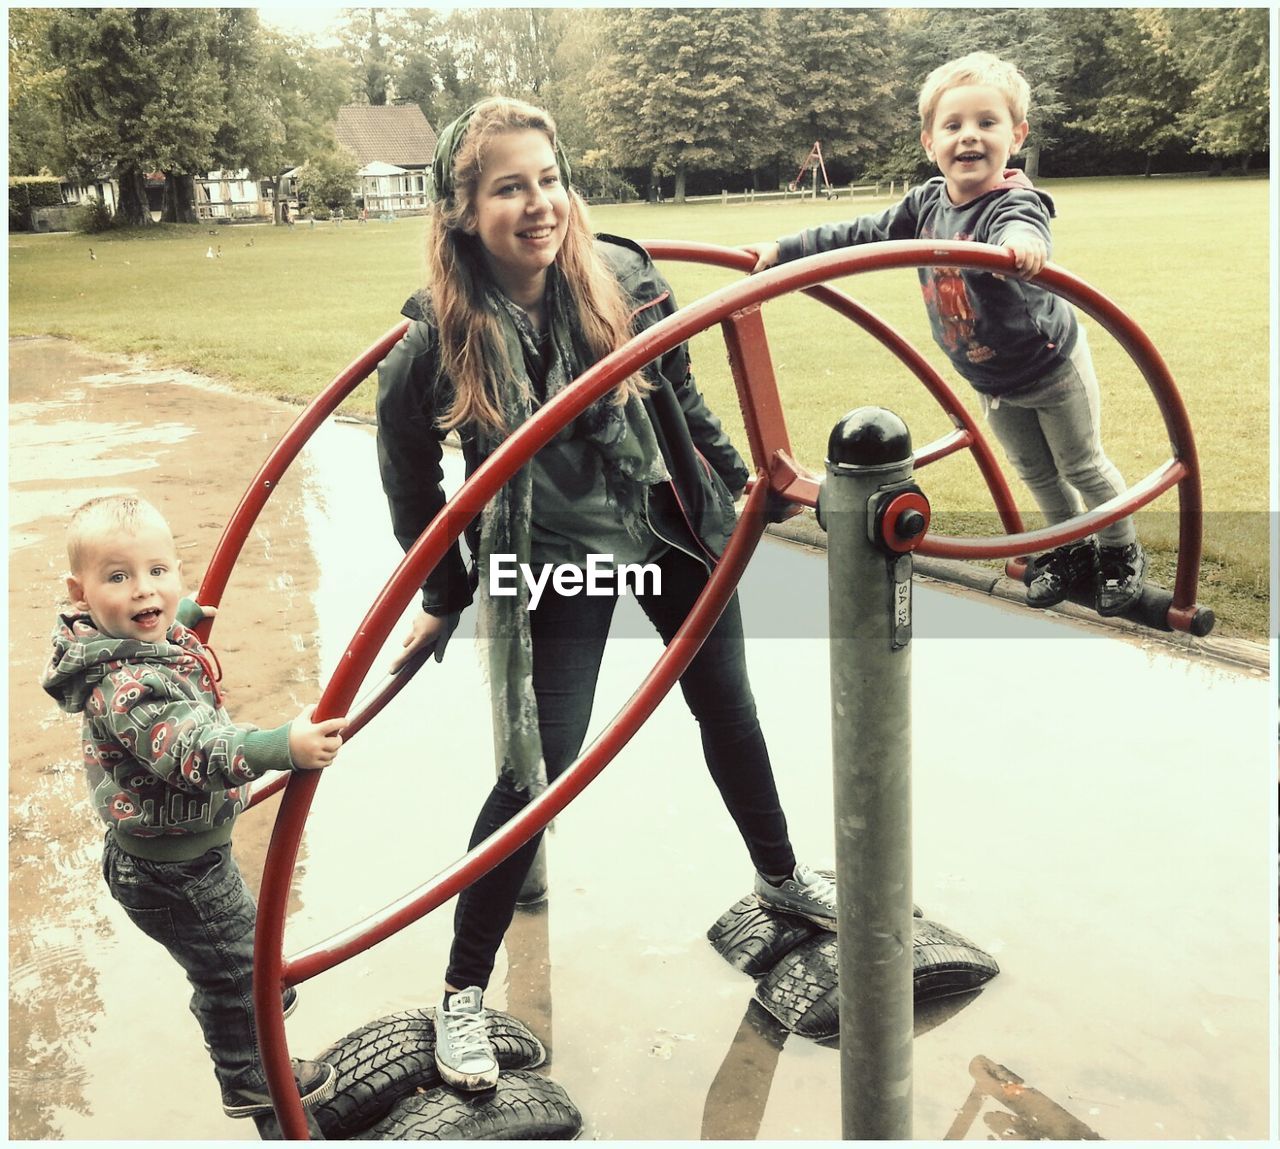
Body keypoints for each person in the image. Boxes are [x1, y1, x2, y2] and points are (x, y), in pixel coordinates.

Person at [375, 97, 838, 1093]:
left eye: (548, 179)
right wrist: (446, 592)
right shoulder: (432, 344)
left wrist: (746, 494)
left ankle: (780, 877)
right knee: (533, 769)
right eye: (508, 188)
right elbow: (411, 481)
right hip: (549, 556)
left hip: (666, 524)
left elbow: (681, 399)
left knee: (730, 709)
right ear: (462, 211)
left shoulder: (621, 277)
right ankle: (461, 992)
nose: (538, 205)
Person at [746, 51, 1145, 616]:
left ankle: (1120, 549)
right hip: (989, 377)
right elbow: (861, 232)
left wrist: (1024, 248)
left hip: (1051, 367)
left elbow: (1025, 225)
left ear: (1016, 135)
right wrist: (784, 250)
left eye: (987, 123)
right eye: (953, 126)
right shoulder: (925, 204)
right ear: (929, 143)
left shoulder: (1013, 202)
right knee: (1035, 471)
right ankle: (1069, 547)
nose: (970, 137)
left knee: (1081, 464)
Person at [40, 494, 348, 1121]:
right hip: (172, 872)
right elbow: (194, 751)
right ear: (81, 591)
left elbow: (146, 625)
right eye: (118, 578)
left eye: (158, 572)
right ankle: (251, 1079)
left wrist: (180, 612)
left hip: (182, 857)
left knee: (235, 964)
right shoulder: (126, 686)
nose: (144, 593)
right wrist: (278, 746)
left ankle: (248, 1041)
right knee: (246, 976)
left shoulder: (125, 638)